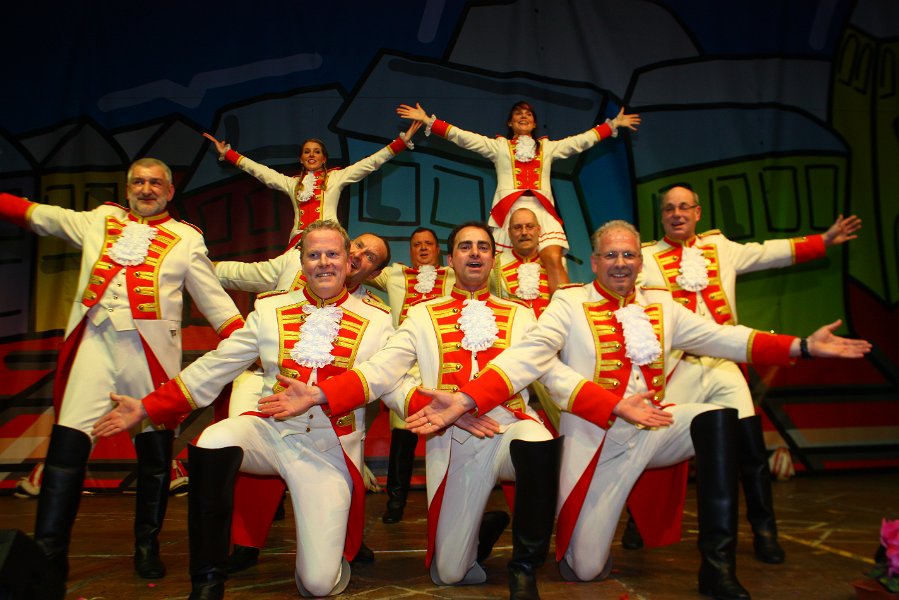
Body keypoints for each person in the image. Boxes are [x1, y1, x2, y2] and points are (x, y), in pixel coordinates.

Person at [405, 220, 870, 600]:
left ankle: (717, 567)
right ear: (594, 262)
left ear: (641, 262)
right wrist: (466, 400)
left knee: (716, 417)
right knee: (584, 569)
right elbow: (535, 361)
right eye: (611, 254)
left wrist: (802, 346)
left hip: (655, 427)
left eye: (629, 254)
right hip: (599, 438)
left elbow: (725, 337)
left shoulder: (663, 306)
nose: (621, 263)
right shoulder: (569, 304)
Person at [92, 220, 395, 599]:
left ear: (348, 262)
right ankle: (207, 582)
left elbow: (388, 377)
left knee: (318, 585)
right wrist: (148, 406)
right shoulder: (269, 309)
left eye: (332, 254)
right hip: (271, 433)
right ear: (301, 262)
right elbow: (217, 365)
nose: (323, 263)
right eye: (314, 255)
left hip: (327, 450)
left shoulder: (378, 319)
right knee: (213, 440)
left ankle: (328, 563)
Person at [268, 222, 562, 600]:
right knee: (451, 573)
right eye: (465, 247)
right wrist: (321, 393)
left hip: (508, 427)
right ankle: (479, 533)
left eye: (483, 247)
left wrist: (607, 402)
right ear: (450, 260)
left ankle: (525, 568)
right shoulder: (422, 315)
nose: (474, 253)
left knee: (537, 442)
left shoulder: (522, 315)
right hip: (453, 438)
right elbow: (383, 369)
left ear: (493, 259)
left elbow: (548, 370)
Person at [0, 159, 246, 593]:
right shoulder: (101, 220)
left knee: (154, 460)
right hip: (93, 347)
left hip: (148, 356)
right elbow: (41, 215)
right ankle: (50, 558)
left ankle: (146, 546)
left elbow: (215, 302)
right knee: (66, 450)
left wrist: (252, 346)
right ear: (128, 187)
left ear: (169, 191)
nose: (146, 189)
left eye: (155, 183)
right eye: (138, 181)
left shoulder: (186, 239)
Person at [634, 185, 862, 561]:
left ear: (697, 212)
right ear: (661, 216)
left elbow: (768, 252)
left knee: (750, 447)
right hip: (678, 367)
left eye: (684, 207)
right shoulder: (646, 257)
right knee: (650, 444)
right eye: (669, 208)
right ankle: (637, 522)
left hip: (723, 364)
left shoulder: (720, 247)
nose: (677, 214)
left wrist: (822, 241)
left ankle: (764, 531)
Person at [214, 229, 391, 571]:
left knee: (347, 463)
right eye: (358, 245)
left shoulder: (376, 313)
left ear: (374, 273)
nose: (359, 255)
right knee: (243, 451)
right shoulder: (297, 268)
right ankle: (245, 543)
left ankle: (344, 540)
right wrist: (207, 266)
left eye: (370, 256)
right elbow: (249, 274)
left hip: (333, 408)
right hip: (265, 383)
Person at [397, 100, 640, 293]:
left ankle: (565, 314)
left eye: (528, 114)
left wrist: (612, 125)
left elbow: (580, 142)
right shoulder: (499, 147)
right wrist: (429, 121)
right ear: (510, 123)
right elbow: (464, 138)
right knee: (496, 266)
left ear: (534, 124)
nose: (523, 116)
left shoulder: (548, 148)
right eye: (518, 114)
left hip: (542, 213)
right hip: (508, 214)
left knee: (553, 258)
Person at [366, 226, 456, 523]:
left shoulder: (453, 275)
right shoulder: (394, 275)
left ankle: (450, 502)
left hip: (441, 367)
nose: (423, 248)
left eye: (428, 243)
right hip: (404, 368)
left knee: (447, 437)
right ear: (411, 250)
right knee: (403, 438)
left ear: (438, 249)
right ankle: (395, 503)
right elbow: (361, 268)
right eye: (417, 244)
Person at [203, 121, 420, 242]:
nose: (311, 155)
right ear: (301, 159)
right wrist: (229, 154)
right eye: (307, 152)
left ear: (324, 158)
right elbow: (260, 171)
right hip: (299, 243)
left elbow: (370, 163)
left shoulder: (336, 177)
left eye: (317, 151)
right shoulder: (291, 183)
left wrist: (400, 143)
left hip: (329, 238)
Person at [491, 207, 560, 430]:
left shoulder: (553, 262)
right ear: (509, 233)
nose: (524, 232)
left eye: (529, 227)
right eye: (517, 227)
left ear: (539, 230)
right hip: (514, 357)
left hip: (553, 353)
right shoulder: (495, 265)